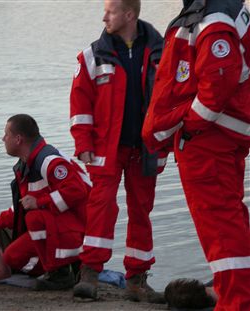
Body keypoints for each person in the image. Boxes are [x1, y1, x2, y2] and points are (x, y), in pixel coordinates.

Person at [142, 0, 250, 309]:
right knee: (229, 222)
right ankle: (234, 295)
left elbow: (219, 79)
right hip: (215, 137)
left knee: (221, 228)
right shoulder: (215, 11)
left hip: (208, 140)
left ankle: (236, 302)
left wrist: (189, 126)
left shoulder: (214, 16)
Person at [69, 0, 166, 303]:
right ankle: (89, 274)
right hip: (105, 148)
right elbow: (80, 106)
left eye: (109, 11)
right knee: (101, 208)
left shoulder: (163, 51)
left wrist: (166, 142)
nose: (104, 17)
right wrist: (82, 144)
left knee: (142, 211)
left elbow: (173, 96)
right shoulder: (91, 55)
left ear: (129, 15)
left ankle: (136, 279)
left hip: (146, 148)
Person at [0, 114, 91, 291]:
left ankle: (60, 273)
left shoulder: (47, 161)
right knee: (12, 257)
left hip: (81, 225)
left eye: (6, 134)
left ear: (18, 139)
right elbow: (25, 203)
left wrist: (40, 202)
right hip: (63, 224)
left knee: (35, 218)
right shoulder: (28, 163)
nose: (3, 139)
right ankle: (62, 266)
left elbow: (77, 191)